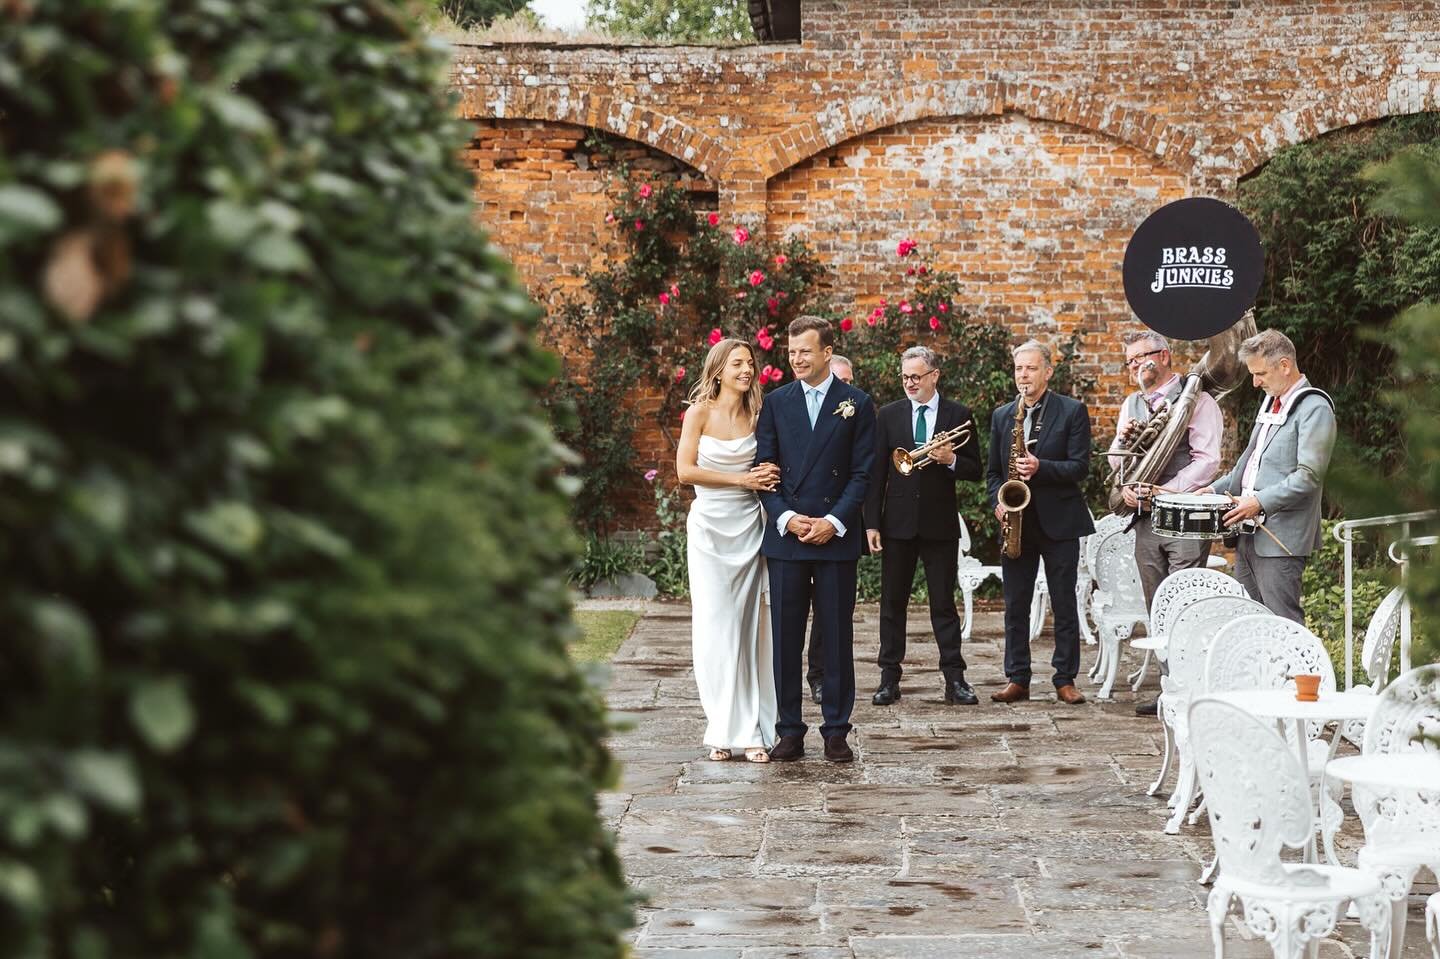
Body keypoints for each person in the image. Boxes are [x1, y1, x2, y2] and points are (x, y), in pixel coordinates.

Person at [756, 316, 876, 762]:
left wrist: (834, 521)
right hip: (788, 539)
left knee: (837, 637)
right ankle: (789, 729)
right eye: (791, 352)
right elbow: (764, 470)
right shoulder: (775, 403)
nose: (796, 359)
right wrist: (787, 518)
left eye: (805, 351)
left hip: (835, 539)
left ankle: (836, 730)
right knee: (785, 639)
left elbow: (863, 473)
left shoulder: (857, 403)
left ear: (827, 352)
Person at [676, 338, 783, 763]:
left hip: (749, 529)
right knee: (716, 628)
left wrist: (770, 472)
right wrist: (743, 481)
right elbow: (685, 471)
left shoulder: (759, 414)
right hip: (710, 531)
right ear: (718, 370)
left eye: (750, 362)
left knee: (752, 629)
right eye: (737, 363)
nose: (746, 370)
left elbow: (772, 463)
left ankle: (755, 728)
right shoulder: (698, 413)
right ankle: (721, 726)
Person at [1107, 330, 1222, 716]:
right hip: (1144, 519)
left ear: (1165, 356)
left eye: (1143, 357)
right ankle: (1169, 688)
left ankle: (1193, 690)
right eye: (1130, 361)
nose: (1136, 365)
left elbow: (1207, 460)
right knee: (1156, 604)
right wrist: (1124, 452)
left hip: (1184, 518)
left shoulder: (1197, 400)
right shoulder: (1131, 404)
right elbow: (1117, 462)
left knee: (1184, 602)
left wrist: (1165, 490)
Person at [863, 346, 982, 707]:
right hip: (897, 524)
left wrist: (951, 459)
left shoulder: (958, 414)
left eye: (916, 376)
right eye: (905, 377)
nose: (910, 383)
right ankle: (889, 679)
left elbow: (975, 469)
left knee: (943, 604)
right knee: (892, 604)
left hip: (939, 524)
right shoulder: (889, 415)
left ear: (934, 376)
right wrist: (872, 523)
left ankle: (955, 679)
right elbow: (876, 474)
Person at [986, 339, 1095, 705]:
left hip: (1059, 522)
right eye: (1019, 368)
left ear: (1048, 372)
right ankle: (1017, 677)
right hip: (1017, 522)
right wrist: (998, 502)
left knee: (1064, 603)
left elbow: (1080, 467)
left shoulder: (1072, 411)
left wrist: (1040, 467)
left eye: (1031, 368)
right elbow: (992, 473)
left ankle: (1065, 678)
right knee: (1015, 604)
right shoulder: (1003, 416)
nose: (1024, 375)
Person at [1201, 329, 1336, 624]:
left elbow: (1309, 476)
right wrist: (1210, 491)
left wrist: (1259, 502)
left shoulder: (1314, 408)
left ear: (1284, 366)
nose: (1255, 382)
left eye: (1260, 373)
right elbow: (1248, 468)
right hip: (1247, 536)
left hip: (1280, 541)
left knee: (1283, 626)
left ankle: (1301, 660)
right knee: (1250, 623)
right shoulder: (1271, 403)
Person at [801, 357, 856, 704]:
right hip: (798, 521)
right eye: (840, 380)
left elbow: (864, 471)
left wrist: (838, 520)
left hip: (838, 522)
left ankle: (822, 675)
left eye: (849, 381)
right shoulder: (793, 406)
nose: (844, 388)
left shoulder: (858, 411)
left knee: (832, 613)